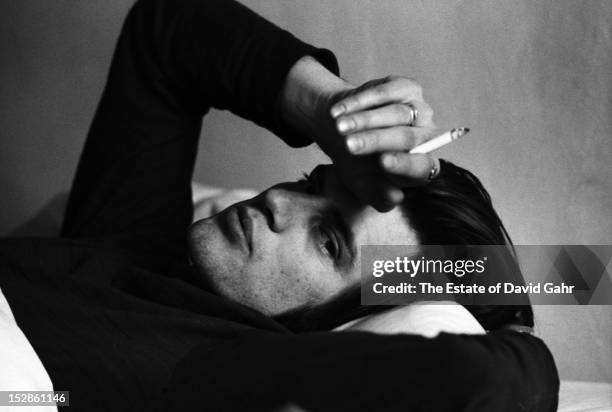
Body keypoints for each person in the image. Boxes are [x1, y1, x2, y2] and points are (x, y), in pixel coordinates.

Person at [0, 0, 558, 410]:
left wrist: (512, 327)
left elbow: (483, 378)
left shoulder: (227, 368)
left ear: (345, 327)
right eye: (314, 183)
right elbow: (167, 30)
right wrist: (331, 110)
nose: (280, 205)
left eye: (328, 240)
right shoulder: (140, 243)